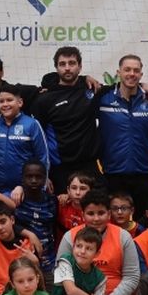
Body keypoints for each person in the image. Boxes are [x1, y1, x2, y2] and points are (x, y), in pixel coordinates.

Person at [53, 191, 141, 295]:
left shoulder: (123, 237)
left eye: (101, 213)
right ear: (82, 214)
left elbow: (132, 277)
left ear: (109, 214)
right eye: (90, 213)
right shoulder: (70, 236)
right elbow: (61, 278)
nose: (96, 218)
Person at [97, 54, 148, 222]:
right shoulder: (103, 99)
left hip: (145, 174)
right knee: (114, 226)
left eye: (136, 70)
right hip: (113, 174)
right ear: (118, 72)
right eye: (127, 70)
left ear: (141, 75)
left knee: (146, 224)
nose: (132, 74)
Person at [31, 46, 101, 189]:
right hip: (60, 169)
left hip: (89, 166)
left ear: (80, 67)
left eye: (72, 63)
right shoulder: (44, 99)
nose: (67, 68)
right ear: (56, 68)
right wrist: (43, 173)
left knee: (95, 209)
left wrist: (144, 86)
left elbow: (122, 89)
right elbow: (37, 139)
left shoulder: (92, 90)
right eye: (62, 64)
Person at [0, 88, 49, 194]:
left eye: (9, 100)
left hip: (27, 190)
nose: (5, 104)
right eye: (1, 101)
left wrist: (42, 185)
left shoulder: (32, 124)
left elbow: (43, 158)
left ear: (20, 102)